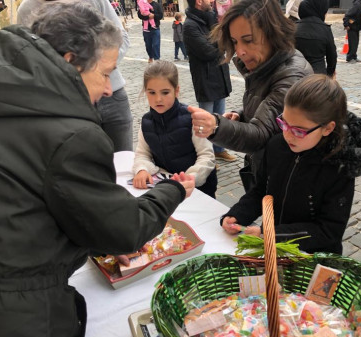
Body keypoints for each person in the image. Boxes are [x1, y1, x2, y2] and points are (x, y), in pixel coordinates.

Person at [0, 3, 194, 337]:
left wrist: (93, 233)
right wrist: (172, 189)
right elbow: (125, 229)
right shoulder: (70, 134)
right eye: (105, 73)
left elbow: (28, 198)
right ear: (70, 62)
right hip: (15, 316)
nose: (109, 88)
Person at [221, 74, 361, 254]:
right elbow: (261, 191)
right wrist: (238, 214)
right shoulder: (276, 146)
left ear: (327, 128)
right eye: (284, 123)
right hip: (275, 247)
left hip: (313, 257)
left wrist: (272, 234)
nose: (288, 134)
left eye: (298, 130)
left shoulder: (339, 168)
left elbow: (329, 230)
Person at [189, 0, 313, 192]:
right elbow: (268, 107)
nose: (239, 51)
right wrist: (242, 115)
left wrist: (216, 126)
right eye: (235, 42)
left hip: (289, 183)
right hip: (269, 171)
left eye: (248, 40)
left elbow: (261, 134)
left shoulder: (291, 75)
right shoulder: (266, 64)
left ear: (272, 32)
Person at [18, 0, 135, 152]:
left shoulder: (96, 1)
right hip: (64, 103)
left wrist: (98, 71)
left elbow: (121, 38)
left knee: (123, 159)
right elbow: (30, 56)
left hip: (113, 102)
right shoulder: (26, 9)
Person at [132, 60, 217, 197]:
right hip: (168, 192)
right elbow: (143, 153)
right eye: (152, 92)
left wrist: (190, 178)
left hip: (198, 191)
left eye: (165, 92)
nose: (158, 99)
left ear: (176, 90)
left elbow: (207, 156)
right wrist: (142, 169)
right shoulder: (146, 122)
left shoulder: (192, 118)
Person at [183, 0, 236, 163]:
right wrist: (222, 45)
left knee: (219, 118)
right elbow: (207, 52)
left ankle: (219, 149)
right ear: (198, 1)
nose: (211, 0)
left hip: (219, 75)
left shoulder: (211, 18)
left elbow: (221, 40)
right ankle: (206, 155)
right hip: (205, 79)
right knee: (205, 120)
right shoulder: (190, 26)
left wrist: (220, 43)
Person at [295, 0, 337, 77]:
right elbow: (332, 55)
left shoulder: (293, 27)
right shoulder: (325, 29)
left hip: (297, 72)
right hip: (318, 74)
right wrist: (330, 73)